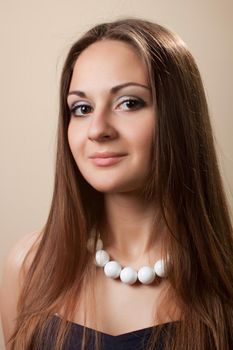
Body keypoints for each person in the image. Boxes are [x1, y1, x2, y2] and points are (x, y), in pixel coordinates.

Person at [0, 17, 232, 350]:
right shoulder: (28, 265)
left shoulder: (225, 278)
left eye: (129, 103)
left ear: (178, 115)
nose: (97, 129)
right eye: (81, 108)